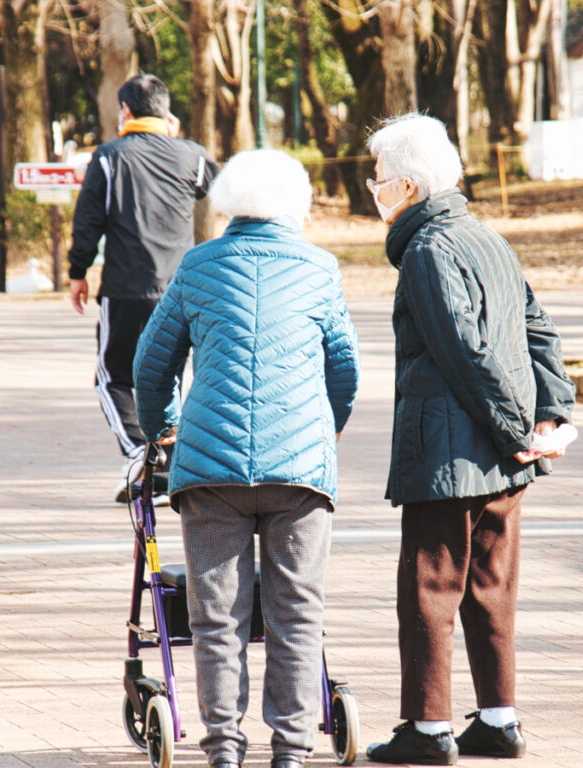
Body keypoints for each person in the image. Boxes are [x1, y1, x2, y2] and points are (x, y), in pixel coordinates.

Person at [132, 149, 360, 768]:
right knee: (296, 612)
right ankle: (290, 749)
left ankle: (225, 749)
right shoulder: (320, 267)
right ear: (297, 201)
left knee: (216, 617)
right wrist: (322, 432)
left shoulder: (198, 265)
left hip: (210, 470)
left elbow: (151, 367)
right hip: (301, 473)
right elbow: (344, 370)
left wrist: (166, 431)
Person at [363, 114, 576, 764]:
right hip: (503, 458)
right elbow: (539, 329)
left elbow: (466, 352)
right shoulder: (488, 237)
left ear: (404, 186)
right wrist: (550, 417)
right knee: (491, 589)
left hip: (449, 456)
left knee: (430, 590)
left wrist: (521, 430)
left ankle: (428, 731)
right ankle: (498, 720)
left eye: (377, 176)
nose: (373, 187)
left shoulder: (428, 250)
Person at [67, 73, 219, 503]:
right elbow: (220, 190)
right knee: (169, 372)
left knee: (113, 375)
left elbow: (88, 220)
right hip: (182, 289)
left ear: (127, 112)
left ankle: (141, 455)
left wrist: (78, 271)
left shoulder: (110, 156)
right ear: (167, 114)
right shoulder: (192, 155)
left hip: (126, 288)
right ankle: (169, 462)